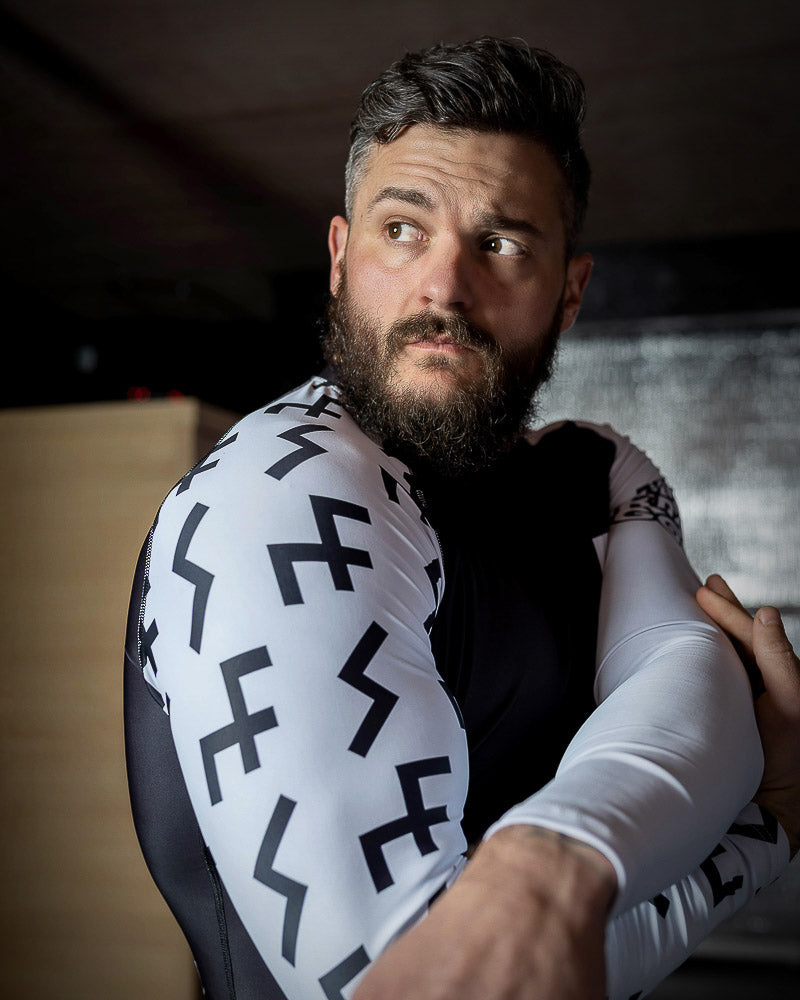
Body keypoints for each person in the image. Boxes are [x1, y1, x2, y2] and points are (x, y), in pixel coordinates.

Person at [123, 38, 797, 1000]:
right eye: (403, 229)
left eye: (502, 243)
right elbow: (428, 975)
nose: (444, 287)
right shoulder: (277, 489)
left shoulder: (595, 467)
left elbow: (684, 671)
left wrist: (548, 869)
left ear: (569, 293)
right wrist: (763, 832)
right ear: (341, 257)